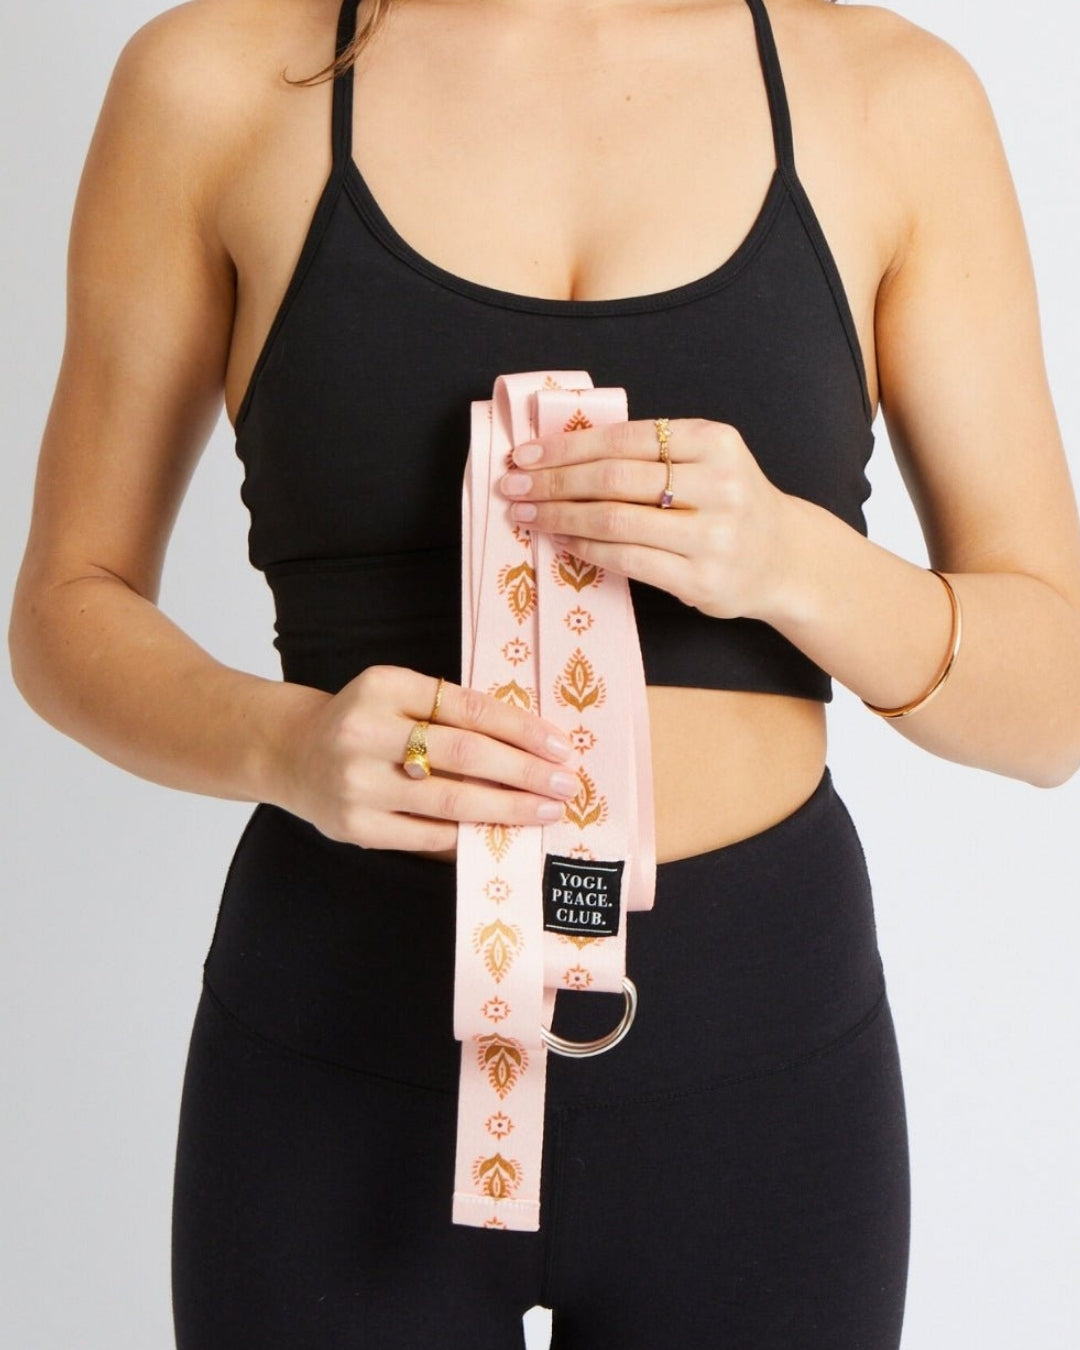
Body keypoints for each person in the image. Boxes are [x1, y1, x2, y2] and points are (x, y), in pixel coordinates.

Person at [8, 0, 1080, 1344]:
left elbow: (1053, 700)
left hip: (759, 1068)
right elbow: (65, 604)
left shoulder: (891, 99)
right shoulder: (213, 84)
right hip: (339, 1034)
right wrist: (280, 743)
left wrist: (795, 562)